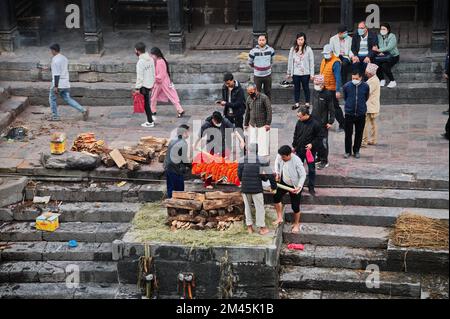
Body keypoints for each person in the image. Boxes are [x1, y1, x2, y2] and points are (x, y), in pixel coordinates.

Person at [194, 111, 245, 188]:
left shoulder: (225, 121)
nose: (219, 124)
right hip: (211, 147)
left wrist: (241, 140)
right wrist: (195, 145)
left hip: (222, 145)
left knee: (224, 163)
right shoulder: (207, 124)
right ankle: (208, 183)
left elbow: (235, 130)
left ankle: (221, 178)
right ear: (213, 120)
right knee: (211, 165)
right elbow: (199, 136)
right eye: (217, 123)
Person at [238, 144, 277, 235]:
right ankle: (262, 228)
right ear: (257, 150)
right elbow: (270, 175)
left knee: (247, 208)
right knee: (259, 208)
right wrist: (274, 187)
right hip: (256, 189)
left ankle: (249, 228)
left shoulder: (242, 160)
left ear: (248, 150)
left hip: (245, 188)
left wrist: (261, 177)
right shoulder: (262, 160)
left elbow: (239, 176)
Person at [48, 43, 88, 121]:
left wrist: (56, 86)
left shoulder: (55, 60)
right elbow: (61, 69)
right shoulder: (64, 58)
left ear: (53, 50)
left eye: (51, 50)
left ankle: (55, 116)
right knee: (67, 99)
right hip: (66, 83)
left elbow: (56, 74)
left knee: (52, 98)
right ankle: (83, 110)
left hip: (58, 83)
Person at [273, 145, 307, 234]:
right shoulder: (280, 156)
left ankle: (296, 224)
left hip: (295, 185)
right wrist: (277, 173)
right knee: (276, 197)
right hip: (283, 182)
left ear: (289, 155)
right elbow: (277, 163)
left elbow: (303, 175)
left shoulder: (297, 161)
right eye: (281, 157)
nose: (282, 158)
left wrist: (299, 186)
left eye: (284, 157)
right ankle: (279, 217)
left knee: (295, 206)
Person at [293, 106, 322, 196]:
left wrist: (312, 144)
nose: (299, 118)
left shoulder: (315, 124)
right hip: (299, 150)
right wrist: (294, 145)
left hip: (310, 151)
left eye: (300, 116)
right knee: (298, 169)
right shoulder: (299, 122)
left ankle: (311, 187)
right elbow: (296, 134)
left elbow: (319, 137)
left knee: (311, 169)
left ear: (306, 115)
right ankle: (299, 186)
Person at [150, 47, 185, 118]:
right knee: (170, 96)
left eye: (152, 55)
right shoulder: (161, 60)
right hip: (164, 81)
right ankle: (180, 109)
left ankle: (153, 110)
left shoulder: (159, 62)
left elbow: (161, 75)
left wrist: (154, 78)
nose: (151, 56)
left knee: (155, 96)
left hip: (161, 82)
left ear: (156, 54)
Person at [343, 70, 370, 159]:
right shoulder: (347, 86)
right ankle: (347, 151)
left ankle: (356, 150)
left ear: (361, 78)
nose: (354, 79)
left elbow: (366, 97)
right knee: (348, 134)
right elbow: (346, 97)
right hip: (349, 113)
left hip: (361, 114)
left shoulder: (365, 86)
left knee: (359, 133)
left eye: (356, 78)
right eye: (353, 78)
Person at [311, 75, 335, 170]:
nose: (316, 85)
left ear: (322, 84)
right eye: (315, 84)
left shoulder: (327, 94)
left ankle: (324, 160)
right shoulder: (315, 91)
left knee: (323, 142)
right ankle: (319, 157)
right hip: (314, 121)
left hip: (323, 123)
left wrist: (330, 121)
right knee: (316, 141)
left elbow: (332, 109)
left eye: (317, 84)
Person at [320, 44, 345, 132]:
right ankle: (325, 123)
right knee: (324, 107)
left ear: (331, 52)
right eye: (325, 53)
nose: (326, 55)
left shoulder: (336, 62)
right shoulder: (324, 60)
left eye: (327, 53)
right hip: (323, 88)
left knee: (335, 107)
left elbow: (338, 77)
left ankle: (343, 124)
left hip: (332, 89)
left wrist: (337, 90)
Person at [287, 32, 315, 110]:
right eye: (299, 39)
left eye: (302, 39)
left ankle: (307, 103)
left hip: (305, 73)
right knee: (296, 88)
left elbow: (311, 62)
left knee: (306, 87)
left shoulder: (308, 49)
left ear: (304, 40)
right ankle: (296, 103)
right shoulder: (293, 49)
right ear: (296, 40)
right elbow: (290, 60)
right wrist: (289, 72)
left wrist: (312, 74)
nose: (300, 41)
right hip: (295, 72)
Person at [244, 82, 272, 158]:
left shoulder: (264, 98)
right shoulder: (248, 99)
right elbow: (247, 112)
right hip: (252, 123)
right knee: (252, 140)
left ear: (255, 89)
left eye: (251, 92)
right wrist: (246, 124)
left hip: (262, 123)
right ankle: (253, 155)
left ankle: (262, 158)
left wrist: (268, 123)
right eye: (248, 92)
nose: (250, 93)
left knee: (262, 141)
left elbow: (269, 110)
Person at [164, 124, 191, 198]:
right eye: (188, 132)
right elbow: (184, 159)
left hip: (168, 166)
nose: (189, 134)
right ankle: (177, 205)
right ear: (184, 133)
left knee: (170, 188)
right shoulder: (183, 143)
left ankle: (170, 202)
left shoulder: (173, 140)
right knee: (179, 190)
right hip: (175, 169)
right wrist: (191, 165)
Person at [134, 42, 155, 128]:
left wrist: (137, 88)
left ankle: (150, 121)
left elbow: (140, 77)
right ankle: (150, 119)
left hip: (143, 85)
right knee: (147, 102)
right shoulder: (150, 59)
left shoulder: (140, 62)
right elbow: (153, 72)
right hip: (150, 83)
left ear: (137, 51)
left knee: (146, 104)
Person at [373, 23, 400, 88]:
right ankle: (382, 79)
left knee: (384, 66)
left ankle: (392, 81)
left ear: (388, 30)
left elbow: (390, 47)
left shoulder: (392, 36)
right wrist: (379, 51)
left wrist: (379, 50)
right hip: (384, 55)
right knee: (375, 63)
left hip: (393, 56)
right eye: (381, 29)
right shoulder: (379, 36)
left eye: (384, 29)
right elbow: (379, 46)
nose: (382, 30)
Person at [248, 34, 275, 99]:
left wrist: (267, 67)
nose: (261, 41)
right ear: (258, 41)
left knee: (268, 92)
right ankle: (257, 108)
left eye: (263, 40)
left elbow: (272, 61)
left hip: (267, 75)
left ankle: (268, 107)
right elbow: (250, 62)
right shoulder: (253, 51)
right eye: (260, 40)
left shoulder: (271, 50)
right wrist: (257, 68)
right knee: (256, 92)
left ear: (266, 41)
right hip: (257, 75)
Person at [362, 63, 381, 147]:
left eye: (366, 72)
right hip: (372, 106)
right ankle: (373, 139)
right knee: (373, 124)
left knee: (365, 124)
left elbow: (367, 92)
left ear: (370, 73)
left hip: (370, 106)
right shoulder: (374, 79)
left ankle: (364, 141)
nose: (365, 73)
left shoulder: (373, 81)